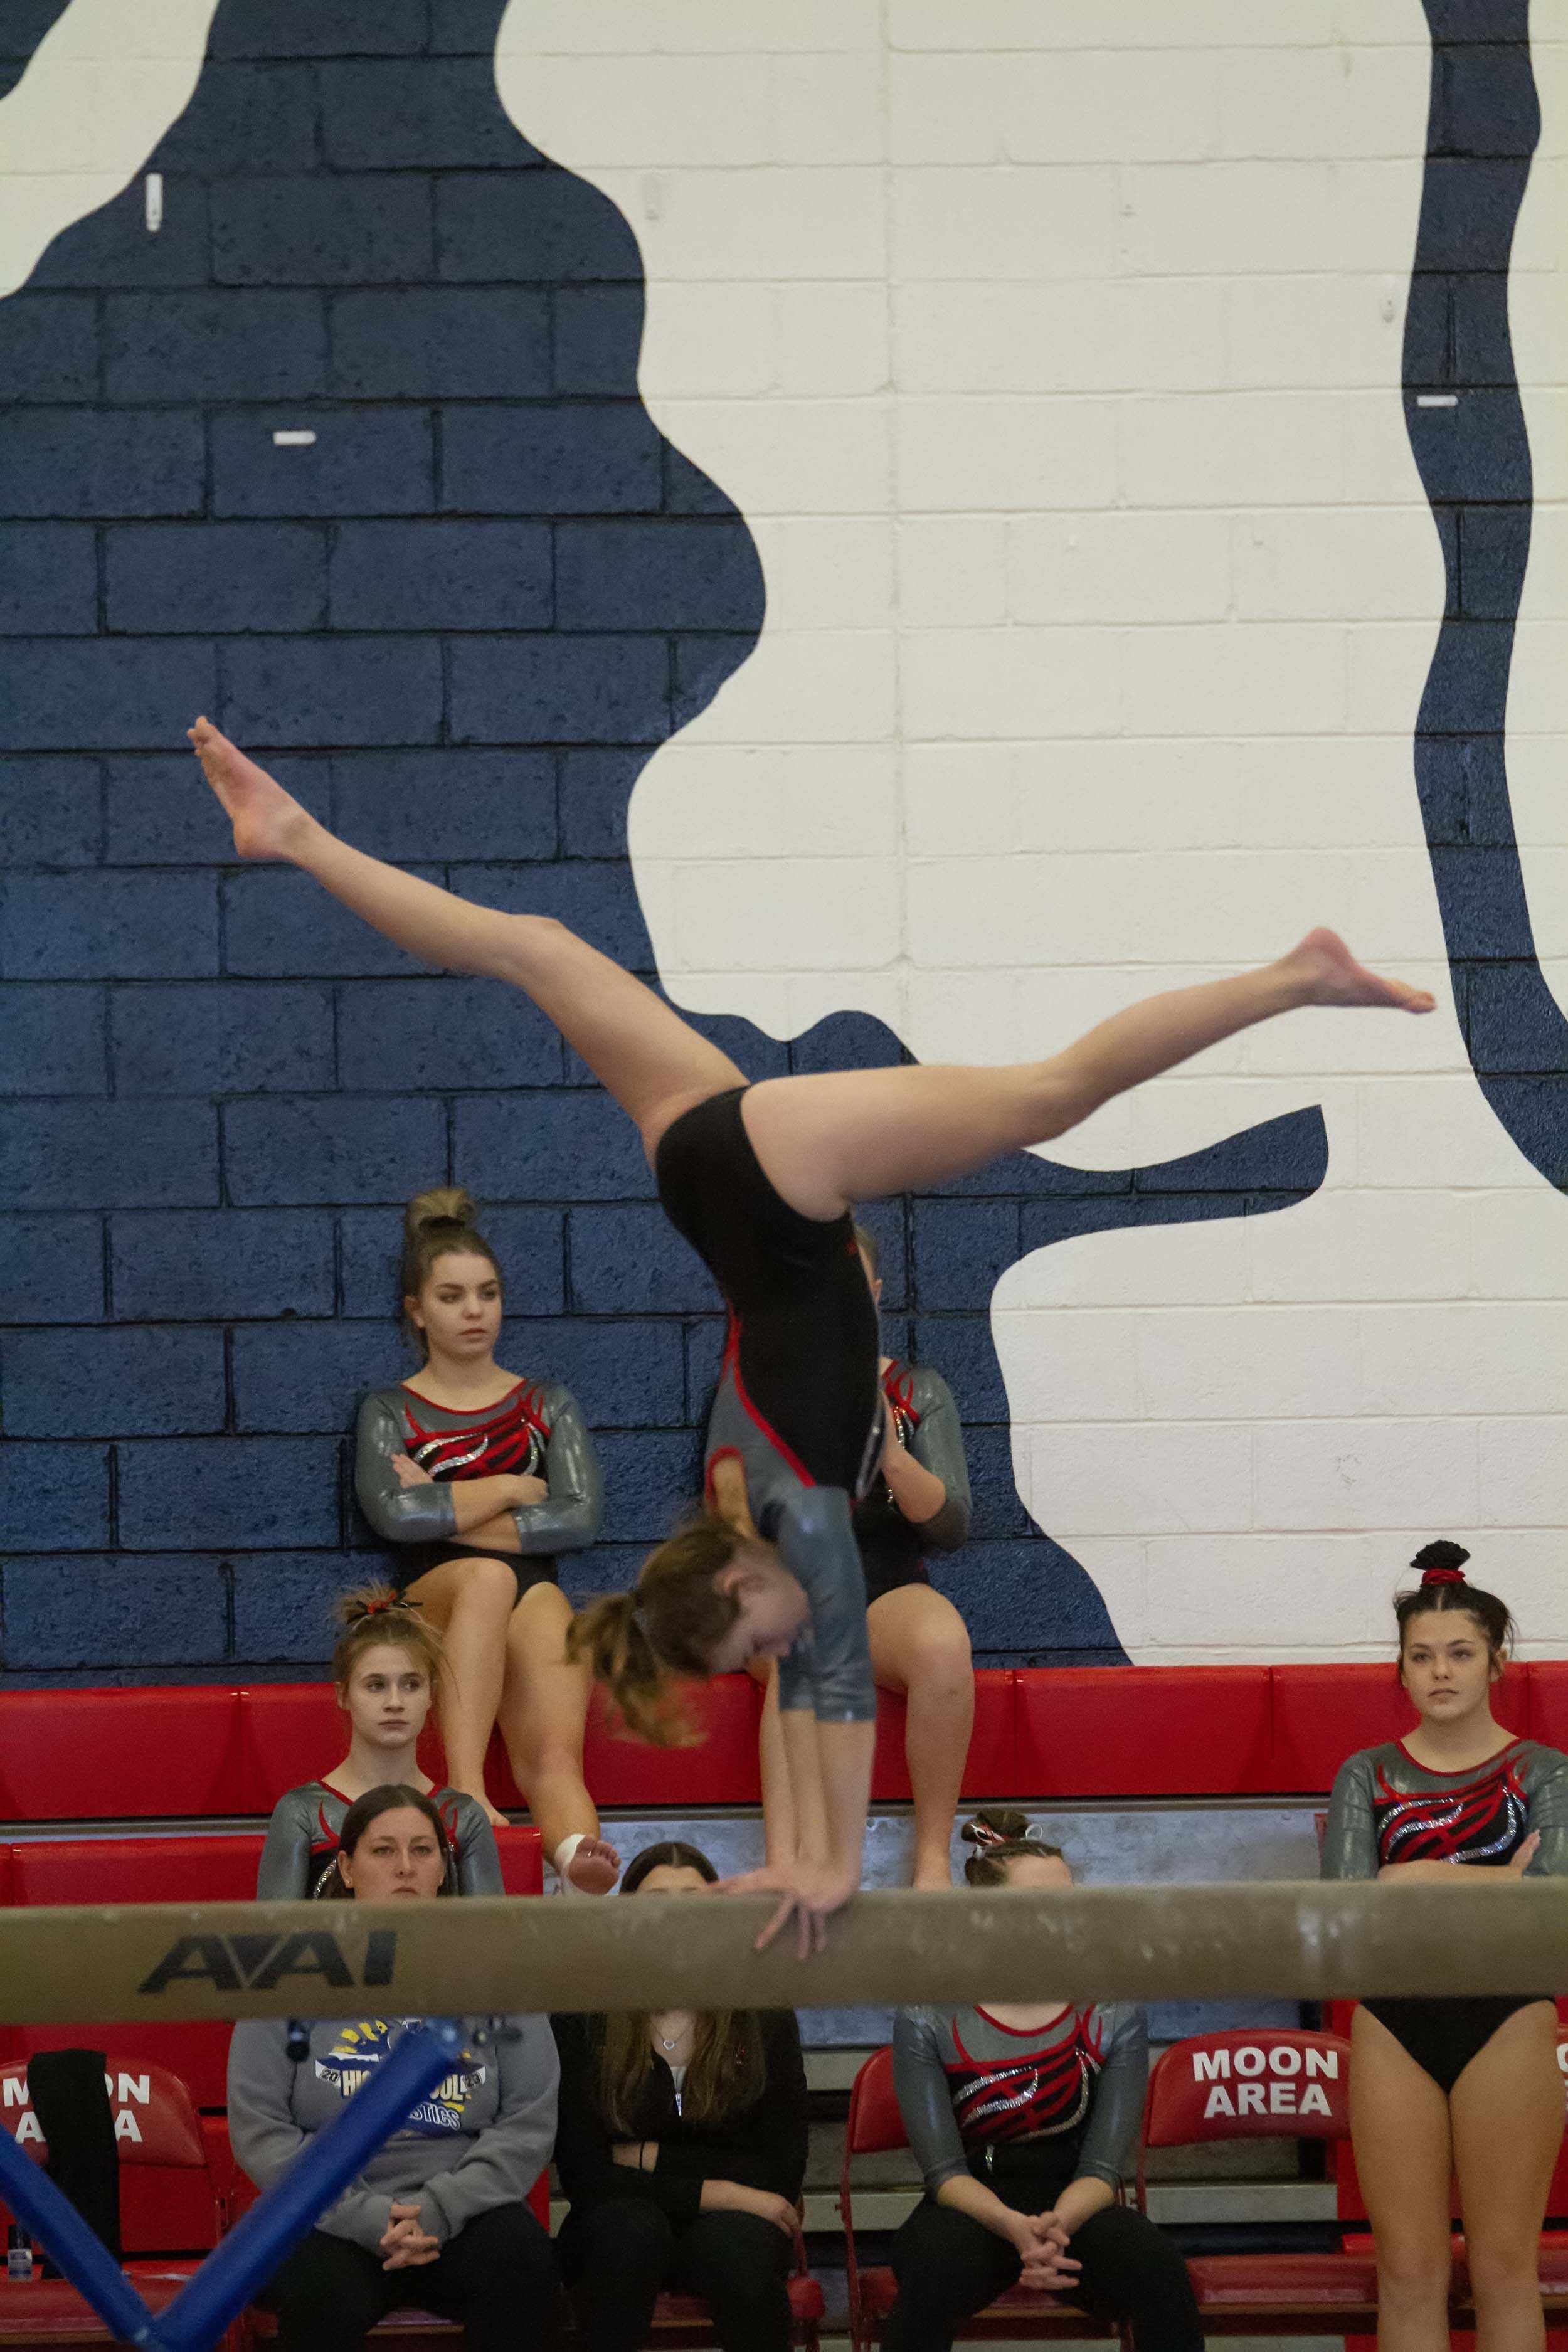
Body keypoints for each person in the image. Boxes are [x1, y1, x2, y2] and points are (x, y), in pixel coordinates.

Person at [189, 711, 1434, 1951]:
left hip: (772, 1184)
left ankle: (1295, 977)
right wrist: (801, 1863)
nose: (780, 1644)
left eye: (757, 1631)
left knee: (1051, 1096)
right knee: (535, 947)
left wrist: (826, 1867)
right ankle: (294, 834)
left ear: (739, 1587)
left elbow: (831, 1690)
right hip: (700, 1171)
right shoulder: (755, 1510)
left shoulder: (792, 1522)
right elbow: (804, 1693)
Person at [1322, 1542, 1568, 2352]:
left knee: (1504, 2268)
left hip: (1508, 2016)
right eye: (1421, 1656)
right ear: (1399, 1670)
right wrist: (1500, 1879)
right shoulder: (1366, 1775)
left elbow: (1553, 1903)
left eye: (1460, 1653)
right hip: (1395, 2019)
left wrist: (1411, 1876)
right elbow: (1348, 1910)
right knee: (1408, 2272)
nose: (1440, 1671)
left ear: (1496, 1661)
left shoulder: (1545, 1773)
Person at [230, 1785, 559, 2352]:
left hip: (467, 2208)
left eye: (423, 1850)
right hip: (327, 2216)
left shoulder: (501, 1975)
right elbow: (263, 2129)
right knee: (317, 2292)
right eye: (383, 1851)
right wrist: (364, 2215)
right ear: (347, 1867)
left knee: (526, 2270)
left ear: (444, 1869)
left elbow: (527, 2121)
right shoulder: (287, 1979)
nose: (405, 1867)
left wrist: (441, 2208)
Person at [354, 1185, 617, 1894]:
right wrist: (508, 1487)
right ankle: (465, 1790)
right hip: (432, 1593)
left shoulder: (545, 1404)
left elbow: (578, 1520)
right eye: (452, 1297)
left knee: (555, 1752)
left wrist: (445, 1503)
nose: (474, 1311)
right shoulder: (390, 1410)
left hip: (532, 1589)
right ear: (416, 1310)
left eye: (487, 1294)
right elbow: (395, 1519)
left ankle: (577, 1857)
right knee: (486, 1578)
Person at [884, 1809, 1201, 2352]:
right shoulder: (929, 2012)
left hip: (1076, 2201)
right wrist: (1014, 2227)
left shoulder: (1111, 2011)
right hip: (971, 2204)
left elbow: (1103, 2168)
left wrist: (1053, 2228)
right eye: (1039, 1903)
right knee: (932, 2271)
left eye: (1068, 1901)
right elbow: (943, 2172)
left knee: (1158, 2268)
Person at [743, 1224, 975, 1890]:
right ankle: (787, 1866)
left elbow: (953, 1526)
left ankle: (932, 1862)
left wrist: (892, 1456)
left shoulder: (914, 1391)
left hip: (885, 1589)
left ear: (873, 1293)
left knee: (943, 1647)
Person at [552, 1840, 810, 2352]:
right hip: (618, 2225)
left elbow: (780, 2169)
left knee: (741, 2256)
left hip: (730, 2229)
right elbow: (586, 2175)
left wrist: (650, 2159)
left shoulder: (763, 2015)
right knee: (631, 2234)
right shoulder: (583, 2017)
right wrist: (729, 2190)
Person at [256, 1585, 502, 1899]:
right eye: (376, 1686)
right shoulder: (302, 1813)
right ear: (343, 1695)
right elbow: (277, 1928)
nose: (395, 1702)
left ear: (431, 1695)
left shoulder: (464, 1815)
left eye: (411, 1685)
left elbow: (490, 1928)